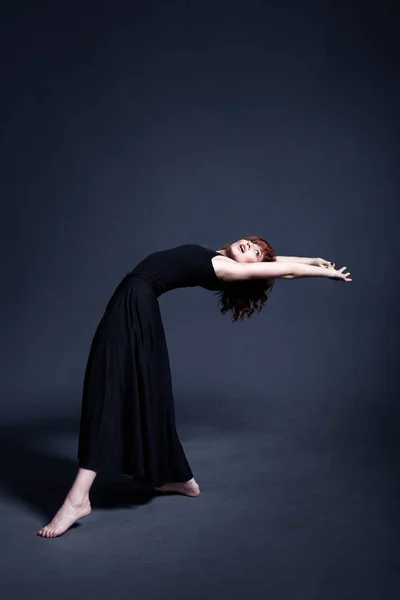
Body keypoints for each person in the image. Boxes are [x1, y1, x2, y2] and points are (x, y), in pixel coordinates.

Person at [38, 237, 351, 537]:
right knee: (137, 390)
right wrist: (311, 259)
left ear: (249, 271)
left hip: (134, 304)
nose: (251, 247)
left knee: (108, 389)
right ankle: (179, 479)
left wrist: (324, 273)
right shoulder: (222, 257)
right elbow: (279, 263)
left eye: (256, 254)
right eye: (254, 244)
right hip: (133, 302)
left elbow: (283, 270)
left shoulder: (227, 269)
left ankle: (78, 499)